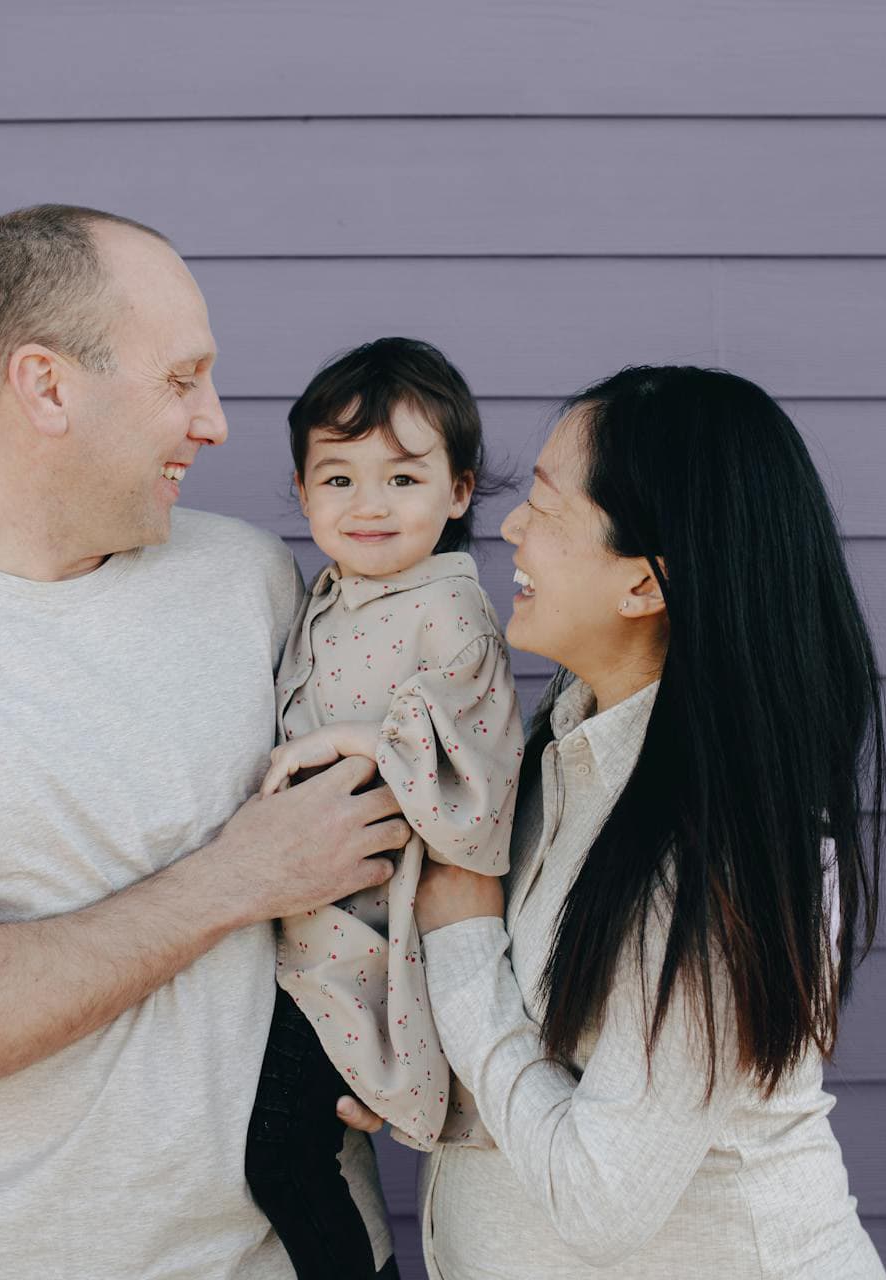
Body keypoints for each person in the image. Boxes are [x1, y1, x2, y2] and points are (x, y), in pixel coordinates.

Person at [0, 205, 407, 1279]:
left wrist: (400, 1035)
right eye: (181, 378)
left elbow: (373, 849)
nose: (216, 423)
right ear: (47, 386)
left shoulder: (251, 577)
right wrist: (235, 876)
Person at [349, 365, 886, 1276]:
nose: (512, 525)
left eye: (549, 510)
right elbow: (557, 1067)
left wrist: (466, 946)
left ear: (644, 585)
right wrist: (432, 1090)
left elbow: (603, 1197)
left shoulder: (722, 856)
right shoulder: (562, 743)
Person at [243, 338, 522, 1279]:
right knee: (289, 1138)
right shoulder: (333, 595)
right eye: (339, 478)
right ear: (302, 489)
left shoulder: (449, 607)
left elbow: (477, 763)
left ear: (457, 492)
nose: (368, 506)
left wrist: (360, 744)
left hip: (371, 940)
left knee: (280, 1147)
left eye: (403, 478)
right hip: (306, 921)